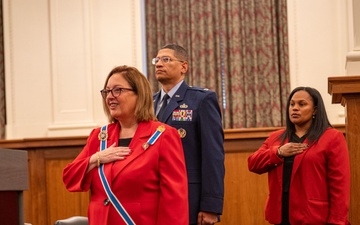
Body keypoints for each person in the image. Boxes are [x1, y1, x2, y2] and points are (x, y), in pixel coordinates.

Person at [63, 65, 189, 225]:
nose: (110, 97)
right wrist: (96, 159)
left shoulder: (163, 136)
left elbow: (175, 199)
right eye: (107, 91)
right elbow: (69, 177)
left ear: (139, 94)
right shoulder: (99, 136)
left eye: (117, 90)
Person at [248, 86, 350, 225]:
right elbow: (253, 164)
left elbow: (340, 184)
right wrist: (278, 152)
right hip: (281, 217)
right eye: (292, 104)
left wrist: (337, 220)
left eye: (302, 104)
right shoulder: (275, 138)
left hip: (315, 217)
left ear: (315, 110)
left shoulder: (332, 138)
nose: (295, 108)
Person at [152, 43, 225, 225]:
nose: (159, 64)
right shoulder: (148, 103)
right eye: (157, 60)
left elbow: (213, 156)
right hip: (154, 194)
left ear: (184, 67)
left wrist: (211, 206)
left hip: (188, 195)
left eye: (166, 59)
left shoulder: (201, 99)